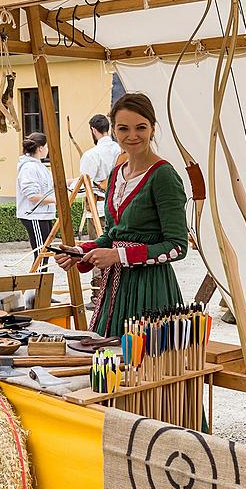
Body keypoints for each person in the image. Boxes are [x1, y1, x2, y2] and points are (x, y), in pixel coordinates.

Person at [55, 93, 188, 337]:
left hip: (150, 291)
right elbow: (113, 235)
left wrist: (118, 256)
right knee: (108, 363)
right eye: (123, 128)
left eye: (141, 127)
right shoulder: (116, 174)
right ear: (114, 131)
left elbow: (177, 247)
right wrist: (81, 252)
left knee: (145, 364)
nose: (132, 135)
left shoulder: (163, 176)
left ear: (152, 128)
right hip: (114, 291)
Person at [77, 114, 120, 310]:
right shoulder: (120, 150)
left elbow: (85, 182)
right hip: (118, 208)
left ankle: (98, 295)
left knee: (97, 250)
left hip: (99, 207)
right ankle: (113, 290)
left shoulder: (92, 154)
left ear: (94, 130)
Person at [16, 132, 56, 273]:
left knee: (44, 256)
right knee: (41, 256)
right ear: (40, 148)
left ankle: (40, 291)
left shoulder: (38, 166)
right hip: (34, 215)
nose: (47, 150)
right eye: (46, 147)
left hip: (43, 214)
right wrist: (57, 201)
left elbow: (52, 185)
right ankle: (36, 292)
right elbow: (32, 195)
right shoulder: (29, 167)